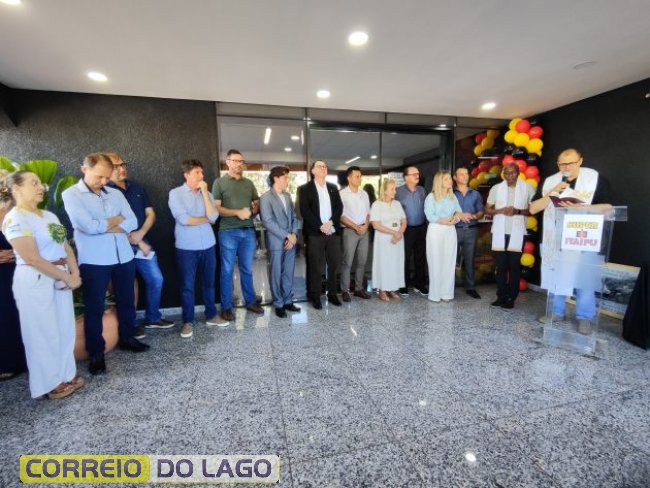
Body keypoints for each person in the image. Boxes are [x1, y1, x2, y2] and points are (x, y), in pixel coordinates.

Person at [63, 153, 150, 375]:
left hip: (123, 256)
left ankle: (127, 338)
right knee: (94, 307)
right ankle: (96, 353)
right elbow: (87, 226)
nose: (103, 182)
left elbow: (132, 221)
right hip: (95, 260)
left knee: (127, 300)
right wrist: (116, 220)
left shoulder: (115, 193)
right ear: (85, 169)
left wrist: (103, 225)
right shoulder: (72, 194)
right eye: (99, 176)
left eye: (106, 177)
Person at [2, 171, 85, 399]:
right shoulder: (15, 219)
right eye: (34, 183)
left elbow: (65, 246)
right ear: (16, 189)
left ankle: (66, 375)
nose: (41, 187)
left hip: (61, 275)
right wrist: (66, 277)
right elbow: (32, 258)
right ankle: (49, 383)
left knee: (64, 328)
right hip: (36, 279)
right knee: (41, 332)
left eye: (41, 183)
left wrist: (74, 272)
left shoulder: (48, 215)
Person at [529, 148, 611, 333]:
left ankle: (585, 317)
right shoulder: (551, 181)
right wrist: (552, 193)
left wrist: (583, 208)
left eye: (571, 163)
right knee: (556, 275)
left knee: (585, 279)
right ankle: (556, 311)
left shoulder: (595, 179)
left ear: (580, 161)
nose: (566, 167)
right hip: (557, 237)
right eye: (562, 164)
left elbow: (608, 208)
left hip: (584, 236)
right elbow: (533, 208)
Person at [107, 153, 174, 338]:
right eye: (116, 166)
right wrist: (136, 239)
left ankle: (153, 318)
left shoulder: (137, 187)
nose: (122, 169)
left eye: (123, 164)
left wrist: (141, 234)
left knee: (156, 279)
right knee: (127, 285)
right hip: (120, 245)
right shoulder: (105, 192)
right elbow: (110, 223)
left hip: (141, 241)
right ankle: (130, 324)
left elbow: (150, 213)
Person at [169, 159, 227, 339]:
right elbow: (184, 220)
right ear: (186, 175)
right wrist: (206, 219)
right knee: (187, 286)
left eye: (202, 172)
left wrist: (204, 194)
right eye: (197, 173)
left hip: (208, 245)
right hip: (187, 248)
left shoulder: (207, 193)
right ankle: (188, 321)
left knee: (209, 283)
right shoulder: (175, 193)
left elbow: (214, 217)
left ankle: (211, 315)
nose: (201, 176)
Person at [212, 149, 264, 321]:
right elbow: (217, 208)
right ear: (228, 162)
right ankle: (226, 307)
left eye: (241, 161)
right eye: (235, 161)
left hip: (248, 231)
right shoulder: (219, 182)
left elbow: (256, 203)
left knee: (247, 269)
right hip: (228, 232)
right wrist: (237, 212)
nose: (239, 164)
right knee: (227, 270)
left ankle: (250, 302)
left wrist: (253, 210)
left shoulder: (249, 183)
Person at [485, 163, 535, 309]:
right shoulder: (496, 188)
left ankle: (511, 298)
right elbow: (487, 209)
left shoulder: (527, 188)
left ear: (518, 173)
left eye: (512, 173)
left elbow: (533, 210)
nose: (509, 176)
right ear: (503, 174)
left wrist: (517, 211)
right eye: (506, 173)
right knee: (500, 267)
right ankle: (500, 296)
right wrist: (500, 210)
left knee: (514, 267)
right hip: (499, 233)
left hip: (518, 233)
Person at [297, 160, 343, 309]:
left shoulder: (333, 187)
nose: (323, 168)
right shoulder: (305, 189)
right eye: (319, 166)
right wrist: (320, 226)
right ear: (313, 171)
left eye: (325, 166)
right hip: (315, 233)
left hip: (333, 232)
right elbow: (305, 211)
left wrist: (330, 222)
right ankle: (315, 296)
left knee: (333, 265)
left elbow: (339, 207)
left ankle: (332, 294)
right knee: (315, 266)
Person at [259, 166, 301, 318]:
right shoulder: (265, 197)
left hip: (291, 241)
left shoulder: (288, 196)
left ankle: (288, 301)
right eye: (285, 177)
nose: (287, 180)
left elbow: (294, 217)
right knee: (276, 273)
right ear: (276, 178)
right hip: (276, 242)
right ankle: (278, 304)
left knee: (288, 272)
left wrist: (294, 234)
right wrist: (287, 235)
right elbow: (268, 221)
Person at [424, 170, 472, 302]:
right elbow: (429, 215)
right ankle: (435, 295)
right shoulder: (431, 197)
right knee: (435, 261)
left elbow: (458, 212)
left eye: (450, 179)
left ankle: (447, 294)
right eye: (446, 179)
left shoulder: (452, 197)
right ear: (439, 181)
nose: (450, 181)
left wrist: (458, 218)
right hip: (436, 230)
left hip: (450, 230)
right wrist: (444, 220)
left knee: (449, 262)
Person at [0, 170, 27, 381]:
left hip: (19, 270)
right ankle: (6, 363)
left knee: (20, 314)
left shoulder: (20, 211)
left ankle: (24, 359)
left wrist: (16, 253)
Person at [370, 178, 407, 302]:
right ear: (384, 191)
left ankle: (392, 288)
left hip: (398, 238)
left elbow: (404, 221)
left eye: (394, 189)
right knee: (384, 263)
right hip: (384, 239)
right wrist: (394, 233)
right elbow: (376, 225)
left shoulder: (397, 204)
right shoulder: (377, 204)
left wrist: (399, 233)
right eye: (392, 189)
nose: (395, 191)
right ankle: (382, 289)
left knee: (396, 263)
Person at [339, 166, 371, 301]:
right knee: (347, 262)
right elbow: (341, 216)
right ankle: (345, 290)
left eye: (360, 176)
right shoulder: (342, 194)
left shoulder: (364, 194)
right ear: (349, 178)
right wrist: (356, 227)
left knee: (362, 261)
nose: (360, 178)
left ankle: (358, 289)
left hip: (364, 231)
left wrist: (366, 226)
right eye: (357, 176)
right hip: (350, 231)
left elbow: (368, 213)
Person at [453, 166, 485, 299]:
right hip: (454, 230)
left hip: (471, 230)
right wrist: (458, 215)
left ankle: (470, 287)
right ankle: (449, 287)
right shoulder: (450, 193)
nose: (465, 176)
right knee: (451, 259)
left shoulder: (475, 194)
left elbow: (481, 211)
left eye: (466, 174)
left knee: (470, 260)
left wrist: (475, 216)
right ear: (455, 177)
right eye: (461, 174)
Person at [396, 166, 428, 296]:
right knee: (405, 257)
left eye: (418, 173)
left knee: (420, 257)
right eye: (414, 174)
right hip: (406, 229)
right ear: (406, 177)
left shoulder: (422, 190)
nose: (417, 176)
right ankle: (403, 285)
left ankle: (419, 285)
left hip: (421, 227)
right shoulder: (398, 191)